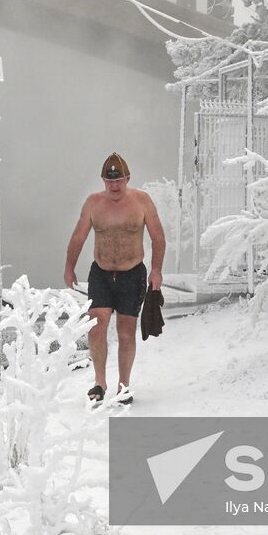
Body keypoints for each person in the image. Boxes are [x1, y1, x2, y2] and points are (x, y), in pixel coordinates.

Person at [63, 152, 164, 405]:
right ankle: (99, 382)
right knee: (97, 326)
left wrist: (156, 270)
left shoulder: (142, 201)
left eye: (119, 180)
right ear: (103, 181)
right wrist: (69, 267)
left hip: (132, 273)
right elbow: (78, 236)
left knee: (126, 331)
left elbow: (158, 237)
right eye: (109, 182)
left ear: (127, 178)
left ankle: (123, 386)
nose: (114, 185)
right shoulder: (93, 203)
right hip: (102, 273)